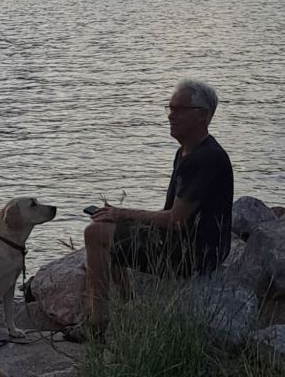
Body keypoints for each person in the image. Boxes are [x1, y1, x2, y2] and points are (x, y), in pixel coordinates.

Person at [74, 78, 233, 340]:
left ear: (202, 116)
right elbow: (171, 213)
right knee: (107, 226)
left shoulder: (206, 158)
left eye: (179, 109)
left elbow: (176, 221)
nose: (171, 115)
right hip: (184, 243)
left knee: (95, 234)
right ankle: (127, 308)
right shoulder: (186, 152)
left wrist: (124, 213)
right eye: (170, 108)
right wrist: (123, 219)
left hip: (195, 254)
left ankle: (97, 324)